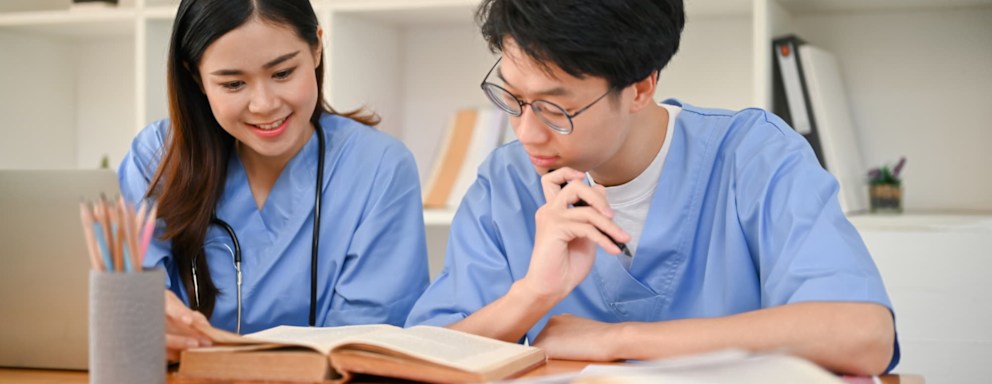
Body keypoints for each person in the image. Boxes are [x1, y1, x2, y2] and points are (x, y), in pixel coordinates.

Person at [406, 0, 898, 375]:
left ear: (641, 87)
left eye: (555, 109)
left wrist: (618, 340)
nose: (526, 133)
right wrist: (532, 295)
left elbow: (863, 334)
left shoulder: (753, 155)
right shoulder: (506, 182)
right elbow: (419, 356)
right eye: (512, 98)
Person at [118, 0, 429, 361]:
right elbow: (127, 293)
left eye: (282, 73)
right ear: (195, 78)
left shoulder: (379, 168)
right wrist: (147, 316)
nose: (264, 104)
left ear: (316, 48)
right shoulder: (156, 159)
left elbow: (366, 347)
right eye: (233, 83)